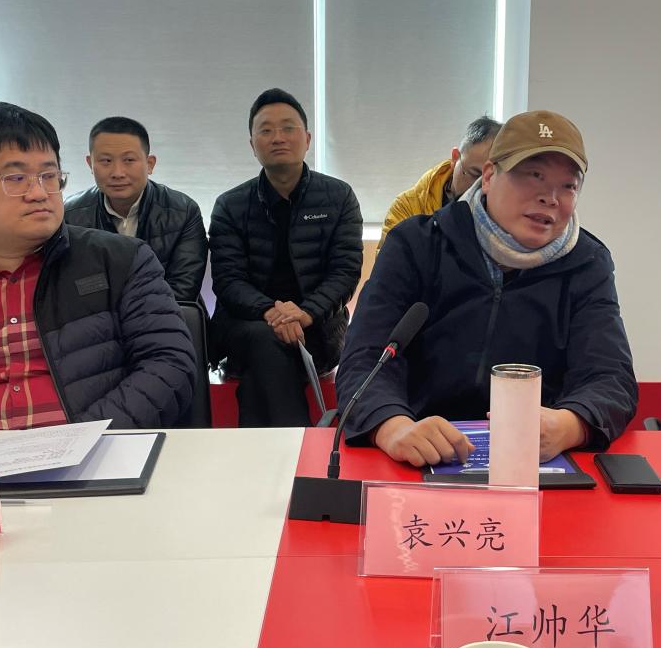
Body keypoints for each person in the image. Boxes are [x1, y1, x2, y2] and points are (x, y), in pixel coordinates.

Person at [337, 109, 638, 467]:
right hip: (416, 452)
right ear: (490, 176)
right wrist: (392, 426)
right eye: (534, 176)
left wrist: (570, 425)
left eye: (568, 186)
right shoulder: (417, 244)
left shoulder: (587, 263)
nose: (551, 198)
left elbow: (610, 376)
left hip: (536, 461)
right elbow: (365, 357)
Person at [0, 102, 196, 430]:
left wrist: (81, 439)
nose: (39, 193)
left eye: (49, 175)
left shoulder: (122, 261)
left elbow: (169, 366)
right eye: (16, 178)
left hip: (97, 451)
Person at [210, 88, 363, 426]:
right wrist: (272, 313)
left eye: (288, 128)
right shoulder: (230, 205)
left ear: (307, 139)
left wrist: (305, 313)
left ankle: (275, 449)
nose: (278, 137)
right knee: (265, 339)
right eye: (266, 130)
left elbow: (345, 271)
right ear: (252, 145)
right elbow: (228, 280)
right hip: (246, 326)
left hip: (319, 329)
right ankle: (300, 442)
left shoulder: (339, 197)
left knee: (264, 356)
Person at [64, 116, 207, 301]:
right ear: (90, 163)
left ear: (150, 164)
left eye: (129, 160)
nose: (117, 173)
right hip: (98, 317)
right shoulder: (71, 215)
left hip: (169, 313)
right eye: (106, 161)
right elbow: (73, 288)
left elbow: (184, 288)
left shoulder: (183, 211)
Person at [377, 115, 501, 248]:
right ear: (455, 158)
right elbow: (390, 259)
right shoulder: (407, 207)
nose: (480, 188)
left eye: (491, 179)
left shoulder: (507, 216)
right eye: (474, 175)